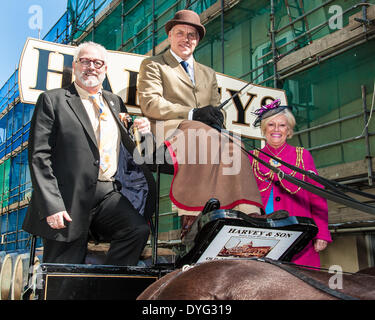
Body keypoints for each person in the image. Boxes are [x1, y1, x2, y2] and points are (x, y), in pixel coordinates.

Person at [22, 41, 156, 266]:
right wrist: (52, 205)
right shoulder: (53, 100)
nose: (91, 66)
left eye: (97, 62)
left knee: (136, 230)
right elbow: (39, 156)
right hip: (67, 197)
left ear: (105, 69)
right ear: (74, 66)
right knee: (63, 272)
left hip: (107, 193)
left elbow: (125, 149)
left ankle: (106, 285)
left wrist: (143, 133)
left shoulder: (114, 102)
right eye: (85, 61)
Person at [138, 9, 263, 235]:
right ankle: (192, 210)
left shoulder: (208, 73)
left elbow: (213, 108)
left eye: (192, 35)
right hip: (169, 130)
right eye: (180, 33)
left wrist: (215, 118)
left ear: (197, 41)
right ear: (169, 36)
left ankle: (247, 209)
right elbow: (150, 103)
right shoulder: (154, 65)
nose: (186, 39)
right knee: (197, 132)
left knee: (235, 142)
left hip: (202, 133)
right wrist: (193, 113)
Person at [249, 99, 332, 267]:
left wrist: (322, 232)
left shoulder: (302, 155)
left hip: (299, 237)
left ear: (289, 130)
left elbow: (317, 196)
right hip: (263, 237)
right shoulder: (252, 157)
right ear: (264, 128)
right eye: (271, 125)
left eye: (282, 125)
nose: (276, 130)